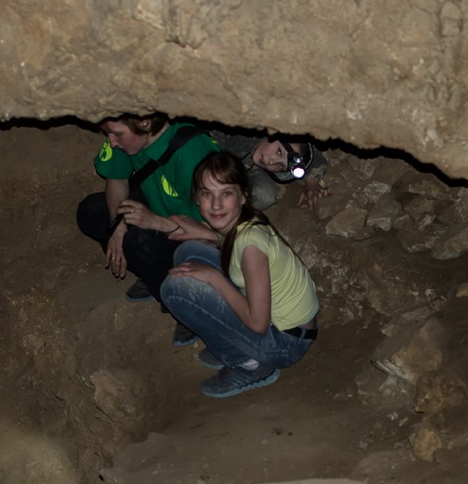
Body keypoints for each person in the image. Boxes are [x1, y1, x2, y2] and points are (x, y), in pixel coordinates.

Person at [161, 151, 320, 398]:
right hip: (291, 327)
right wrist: (206, 235)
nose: (215, 205)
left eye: (226, 193)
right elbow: (231, 249)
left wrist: (212, 277)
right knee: (189, 251)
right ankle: (230, 339)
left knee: (175, 290)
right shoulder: (248, 222)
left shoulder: (251, 246)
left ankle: (249, 365)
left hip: (285, 344)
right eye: (207, 194)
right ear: (197, 198)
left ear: (243, 195)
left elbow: (258, 324)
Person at [76, 112, 219, 345]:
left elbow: (214, 231)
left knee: (138, 239)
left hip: (198, 233)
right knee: (91, 211)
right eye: (108, 135)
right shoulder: (131, 138)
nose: (112, 141)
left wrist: (153, 223)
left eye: (117, 135)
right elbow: (117, 179)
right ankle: (150, 269)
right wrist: (117, 225)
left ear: (145, 123)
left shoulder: (193, 153)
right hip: (158, 207)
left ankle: (184, 304)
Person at [210, 129, 330, 211]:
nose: (272, 162)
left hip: (249, 168)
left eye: (281, 167)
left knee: (265, 195)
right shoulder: (240, 133)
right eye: (279, 151)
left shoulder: (261, 159)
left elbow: (315, 159)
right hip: (211, 156)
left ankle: (227, 214)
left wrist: (312, 182)